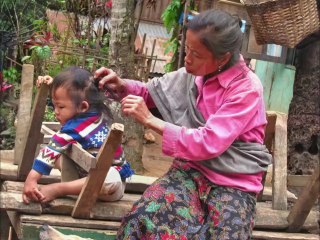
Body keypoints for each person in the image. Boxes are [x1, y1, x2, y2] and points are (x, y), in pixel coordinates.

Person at [96, 9, 272, 240]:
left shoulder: (246, 89)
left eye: (196, 54)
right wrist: (121, 86)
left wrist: (150, 120)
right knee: (140, 220)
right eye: (187, 48)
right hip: (191, 171)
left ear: (222, 58)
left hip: (234, 182)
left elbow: (208, 142)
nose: (187, 57)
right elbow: (152, 91)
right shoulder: (193, 74)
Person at [22, 66, 134, 204]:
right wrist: (52, 84)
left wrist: (31, 179)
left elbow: (51, 149)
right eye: (54, 106)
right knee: (55, 153)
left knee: (110, 177)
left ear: (83, 107)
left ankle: (59, 189)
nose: (56, 111)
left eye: (61, 107)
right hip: (83, 176)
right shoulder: (93, 112)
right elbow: (78, 95)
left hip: (108, 188)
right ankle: (71, 188)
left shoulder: (74, 127)